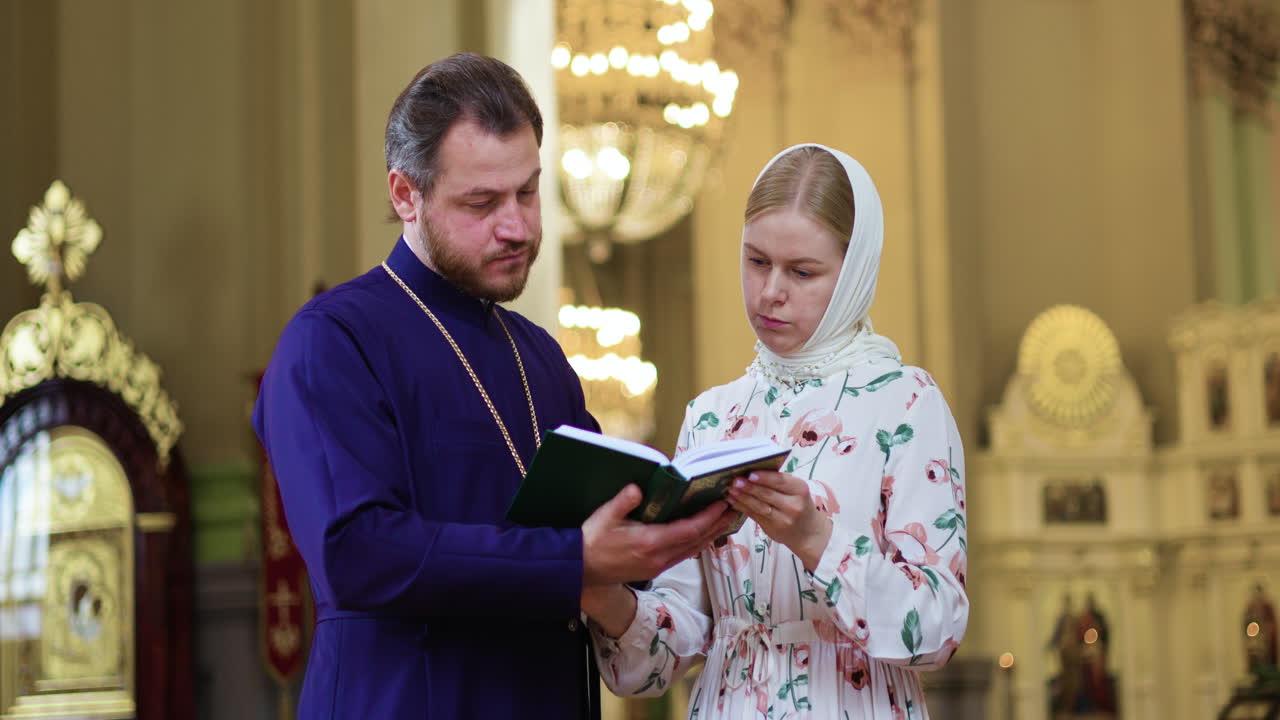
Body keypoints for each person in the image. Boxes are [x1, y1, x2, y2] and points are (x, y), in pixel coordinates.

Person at [253, 53, 735, 719]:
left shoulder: (540, 356)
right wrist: (571, 559)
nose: (517, 226)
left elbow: (609, 543)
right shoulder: (332, 341)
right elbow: (356, 552)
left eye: (528, 193)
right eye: (481, 203)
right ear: (405, 195)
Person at [580, 144, 969, 718]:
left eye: (802, 272)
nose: (769, 292)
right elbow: (664, 654)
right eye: (756, 261)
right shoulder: (712, 417)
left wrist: (817, 537)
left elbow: (937, 630)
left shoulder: (906, 402)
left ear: (855, 269)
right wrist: (596, 588)